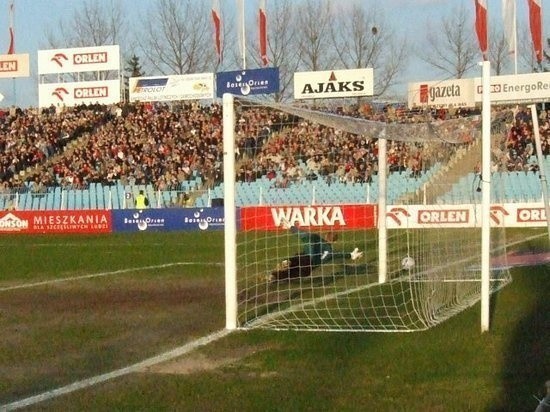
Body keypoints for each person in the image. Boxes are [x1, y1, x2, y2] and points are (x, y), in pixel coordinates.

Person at [268, 218, 363, 282]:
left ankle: (287, 263)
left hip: (303, 258)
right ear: (335, 242)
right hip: (309, 268)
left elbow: (303, 235)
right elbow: (339, 254)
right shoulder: (330, 252)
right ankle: (275, 276)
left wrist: (291, 227)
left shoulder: (315, 238)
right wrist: (351, 255)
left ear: (325, 236)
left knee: (297, 259)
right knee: (292, 274)